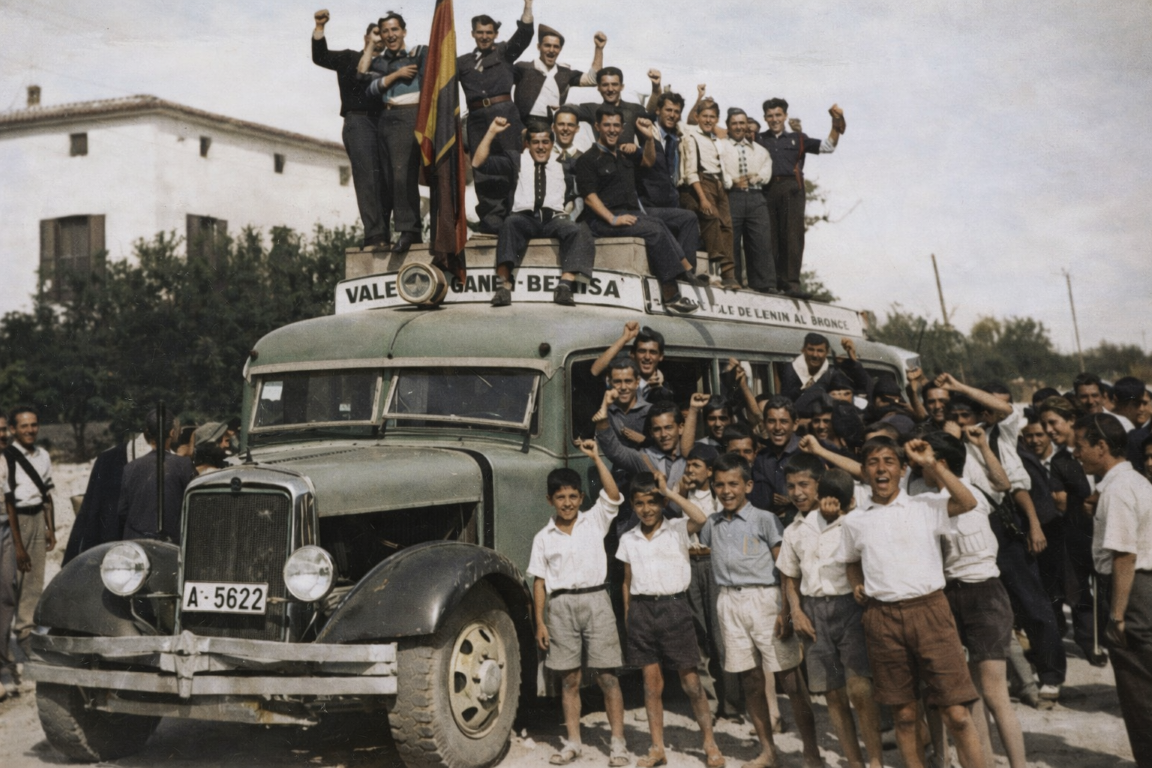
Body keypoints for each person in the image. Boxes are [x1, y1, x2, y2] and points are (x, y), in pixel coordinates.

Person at [837, 436, 988, 768]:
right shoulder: (854, 520)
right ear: (863, 471)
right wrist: (856, 583)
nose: (881, 469)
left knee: (957, 713)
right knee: (904, 715)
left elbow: (968, 502)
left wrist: (930, 462)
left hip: (931, 613)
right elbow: (849, 560)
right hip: (883, 619)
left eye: (889, 461)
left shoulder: (926, 506)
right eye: (873, 462)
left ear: (903, 469)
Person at [912, 432, 1028, 768]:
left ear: (941, 463)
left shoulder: (974, 490)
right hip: (952, 595)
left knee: (994, 693)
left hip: (985, 595)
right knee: (970, 692)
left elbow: (1001, 483)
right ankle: (984, 762)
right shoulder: (931, 501)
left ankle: (1019, 765)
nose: (918, 470)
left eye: (924, 463)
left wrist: (979, 446)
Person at [700, 453, 821, 768]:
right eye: (720, 485)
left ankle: (811, 753)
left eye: (733, 484)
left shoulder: (765, 519)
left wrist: (786, 609)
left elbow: (785, 568)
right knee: (751, 680)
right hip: (728, 602)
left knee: (791, 680)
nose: (726, 491)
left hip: (765, 601)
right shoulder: (711, 523)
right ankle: (768, 751)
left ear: (748, 485)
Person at [528, 438, 628, 767]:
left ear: (581, 497)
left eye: (573, 496)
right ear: (550, 500)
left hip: (596, 601)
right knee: (570, 680)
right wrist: (541, 622)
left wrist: (596, 457)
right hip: (561, 609)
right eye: (561, 498)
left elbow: (613, 495)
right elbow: (539, 582)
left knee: (607, 677)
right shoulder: (543, 537)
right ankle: (573, 742)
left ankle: (617, 743)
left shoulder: (594, 521)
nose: (568, 503)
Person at [778, 462, 884, 768]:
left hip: (849, 608)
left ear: (819, 486)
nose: (797, 493)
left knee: (860, 689)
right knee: (833, 695)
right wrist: (795, 612)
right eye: (791, 486)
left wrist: (842, 516)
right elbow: (790, 576)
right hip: (813, 612)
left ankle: (875, 759)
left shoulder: (850, 520)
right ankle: (854, 762)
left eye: (804, 485)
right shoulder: (794, 530)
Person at [616, 471, 724, 768]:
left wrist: (670, 492)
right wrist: (628, 615)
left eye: (653, 502)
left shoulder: (677, 528)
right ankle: (657, 748)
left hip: (675, 610)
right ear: (633, 506)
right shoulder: (629, 538)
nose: (647, 509)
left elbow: (701, 518)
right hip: (641, 612)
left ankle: (709, 742)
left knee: (691, 682)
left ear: (662, 503)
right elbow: (627, 580)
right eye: (640, 503)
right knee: (651, 685)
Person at [1074, 413, 1152, 764]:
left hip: (1130, 592)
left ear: (1101, 446)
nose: (1076, 453)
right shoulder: (1131, 482)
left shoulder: (1118, 491)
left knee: (1138, 690)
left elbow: (1124, 556)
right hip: (1141, 588)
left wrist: (1116, 617)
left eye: (1081, 446)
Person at [575, 107, 700, 314]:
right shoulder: (588, 159)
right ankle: (671, 295)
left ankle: (687, 270)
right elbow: (590, 198)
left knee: (673, 220)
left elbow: (649, 161)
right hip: (603, 220)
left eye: (616, 125)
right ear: (597, 127)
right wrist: (613, 219)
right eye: (607, 125)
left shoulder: (625, 153)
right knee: (655, 229)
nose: (612, 130)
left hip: (633, 212)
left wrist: (649, 139)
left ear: (622, 128)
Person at [473, 117, 595, 307]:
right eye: (535, 142)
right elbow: (478, 162)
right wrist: (491, 132)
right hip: (525, 219)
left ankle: (564, 286)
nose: (540, 147)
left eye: (545, 142)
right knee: (509, 223)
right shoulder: (516, 160)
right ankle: (503, 287)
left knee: (578, 230)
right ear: (527, 144)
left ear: (552, 143)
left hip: (554, 219)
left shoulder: (565, 163)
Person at [1037, 396, 1109, 666]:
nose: (1048, 430)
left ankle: (1108, 635)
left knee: (1107, 589)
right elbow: (1060, 500)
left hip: (1107, 532)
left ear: (1070, 420)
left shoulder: (1100, 448)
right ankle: (1091, 644)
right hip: (1076, 534)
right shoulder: (1060, 461)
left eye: (1053, 422)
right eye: (1044, 425)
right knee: (1077, 592)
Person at [312, 9, 389, 248]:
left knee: (387, 179)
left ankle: (385, 233)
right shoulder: (348, 58)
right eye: (376, 33)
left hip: (385, 122)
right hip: (358, 122)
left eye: (383, 34)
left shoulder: (390, 65)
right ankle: (374, 235)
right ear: (366, 36)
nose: (380, 38)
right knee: (367, 178)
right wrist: (320, 27)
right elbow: (320, 56)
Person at [459, 1, 536, 233]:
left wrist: (528, 6)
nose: (484, 37)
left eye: (489, 33)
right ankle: (491, 221)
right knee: (483, 169)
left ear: (496, 34)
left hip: (505, 117)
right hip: (476, 121)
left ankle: (515, 216)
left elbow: (523, 35)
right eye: (480, 32)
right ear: (473, 33)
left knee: (511, 164)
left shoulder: (504, 52)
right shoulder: (462, 62)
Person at [680, 445, 743, 722]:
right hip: (689, 564)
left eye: (696, 465)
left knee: (722, 634)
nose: (690, 470)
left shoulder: (721, 497)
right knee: (698, 635)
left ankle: (731, 702)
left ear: (709, 470)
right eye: (688, 464)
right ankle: (708, 702)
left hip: (715, 564)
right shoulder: (682, 496)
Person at [757, 99, 844, 298]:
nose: (774, 119)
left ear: (785, 116)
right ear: (765, 118)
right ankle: (770, 283)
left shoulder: (799, 138)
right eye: (770, 116)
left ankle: (791, 285)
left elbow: (828, 146)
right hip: (766, 189)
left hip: (792, 190)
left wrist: (836, 123)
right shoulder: (758, 138)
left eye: (778, 115)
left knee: (792, 237)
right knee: (768, 237)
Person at [359, 12, 427, 255]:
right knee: (390, 178)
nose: (390, 35)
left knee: (401, 175)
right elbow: (362, 75)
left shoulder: (418, 53)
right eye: (385, 31)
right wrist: (394, 75)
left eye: (395, 29)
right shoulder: (380, 61)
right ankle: (411, 231)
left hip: (410, 115)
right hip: (387, 118)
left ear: (404, 32)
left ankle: (408, 230)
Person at [3, 406, 55, 665]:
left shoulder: (43, 455)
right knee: (11, 583)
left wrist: (50, 528)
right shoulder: (7, 456)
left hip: (36, 518)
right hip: (15, 521)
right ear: (13, 429)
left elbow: (47, 494)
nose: (30, 430)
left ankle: (25, 634)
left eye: (33, 425)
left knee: (33, 580)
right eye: (24, 426)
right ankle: (6, 648)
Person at [633, 91, 706, 264]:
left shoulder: (679, 138)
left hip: (670, 201)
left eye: (676, 112)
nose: (672, 115)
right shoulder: (645, 133)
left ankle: (685, 273)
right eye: (668, 110)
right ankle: (685, 271)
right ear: (658, 110)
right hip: (647, 204)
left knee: (691, 223)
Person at [679, 100, 737, 288]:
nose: (708, 120)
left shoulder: (715, 139)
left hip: (718, 183)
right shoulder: (691, 136)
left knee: (726, 227)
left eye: (712, 117)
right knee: (711, 223)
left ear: (717, 119)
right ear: (697, 117)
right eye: (704, 116)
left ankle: (729, 274)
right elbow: (690, 171)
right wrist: (702, 198)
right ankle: (714, 276)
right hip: (701, 182)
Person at [119, 410, 196, 545]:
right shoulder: (184, 464)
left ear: (148, 433)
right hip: (170, 546)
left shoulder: (130, 467)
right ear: (172, 433)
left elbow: (122, 511)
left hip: (136, 545)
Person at [720, 109, 774, 292]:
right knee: (732, 238)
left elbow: (766, 170)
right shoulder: (720, 146)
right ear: (728, 126)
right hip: (731, 196)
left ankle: (763, 284)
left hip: (756, 197)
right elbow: (719, 171)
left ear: (747, 126)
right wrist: (731, 181)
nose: (738, 127)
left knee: (760, 240)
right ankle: (733, 280)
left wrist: (758, 177)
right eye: (734, 123)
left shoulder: (760, 150)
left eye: (742, 123)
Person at [513, 25, 603, 122]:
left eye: (556, 47)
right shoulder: (523, 67)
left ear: (560, 49)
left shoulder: (565, 73)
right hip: (523, 125)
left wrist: (599, 48)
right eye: (547, 45)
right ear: (539, 47)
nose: (551, 50)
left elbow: (593, 80)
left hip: (551, 126)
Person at [750, 395, 802, 524]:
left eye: (784, 421)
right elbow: (758, 497)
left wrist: (793, 500)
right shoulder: (762, 458)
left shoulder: (806, 452)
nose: (777, 427)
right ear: (764, 424)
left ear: (795, 424)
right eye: (771, 421)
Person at [575, 67, 658, 145]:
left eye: (614, 84)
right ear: (598, 87)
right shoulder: (592, 109)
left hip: (629, 158)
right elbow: (565, 110)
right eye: (605, 85)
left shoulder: (634, 109)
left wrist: (656, 88)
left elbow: (653, 114)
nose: (610, 89)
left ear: (621, 87)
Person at [591, 323, 668, 399]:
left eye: (653, 352)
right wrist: (624, 338)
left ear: (661, 356)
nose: (647, 357)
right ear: (632, 354)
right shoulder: (621, 381)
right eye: (642, 351)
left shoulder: (665, 389)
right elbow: (594, 372)